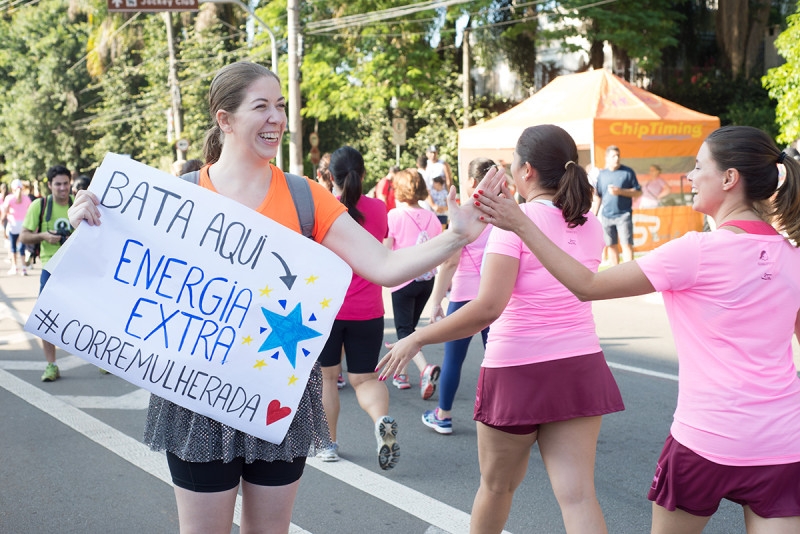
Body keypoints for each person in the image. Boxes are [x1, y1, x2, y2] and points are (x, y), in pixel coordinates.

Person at [67, 61, 500, 534]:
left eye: (280, 106)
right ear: (225, 119)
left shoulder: (304, 197)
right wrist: (89, 222)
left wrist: (457, 235)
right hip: (195, 399)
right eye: (261, 106)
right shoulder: (179, 197)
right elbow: (121, 279)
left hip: (279, 395)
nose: (276, 118)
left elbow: (384, 265)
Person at [473, 125, 800, 534]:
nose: (690, 177)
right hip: (784, 443)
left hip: (706, 440)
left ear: (730, 179)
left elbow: (586, 286)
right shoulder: (793, 257)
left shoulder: (695, 251)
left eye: (699, 168)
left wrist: (521, 225)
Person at [379, 125, 623, 534]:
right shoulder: (590, 224)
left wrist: (417, 336)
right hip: (580, 363)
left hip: (517, 368)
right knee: (579, 495)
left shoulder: (517, 222)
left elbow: (488, 307)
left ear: (526, 171)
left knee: (496, 488)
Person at [315, 145, 399, 469]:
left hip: (329, 309)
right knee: (365, 380)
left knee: (327, 378)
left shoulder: (323, 209)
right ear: (363, 175)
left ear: (329, 177)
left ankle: (328, 444)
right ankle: (381, 420)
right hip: (369, 310)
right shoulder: (379, 210)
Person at [421, 158, 495, 435]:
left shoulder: (465, 214)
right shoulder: (507, 213)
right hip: (496, 296)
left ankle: (444, 415)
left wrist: (436, 300)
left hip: (465, 296)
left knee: (454, 359)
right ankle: (508, 416)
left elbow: (450, 262)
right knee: (498, 360)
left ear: (472, 183)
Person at [384, 169, 442, 397]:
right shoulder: (433, 218)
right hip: (427, 279)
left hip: (403, 278)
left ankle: (424, 369)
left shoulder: (393, 216)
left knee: (405, 330)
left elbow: (386, 249)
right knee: (408, 330)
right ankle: (401, 375)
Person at [20, 166, 73, 382]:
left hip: (78, 269)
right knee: (46, 318)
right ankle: (51, 364)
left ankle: (100, 361)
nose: (62, 188)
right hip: (50, 267)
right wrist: (43, 236)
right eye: (57, 184)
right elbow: (23, 237)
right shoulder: (39, 206)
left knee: (92, 316)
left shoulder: (78, 203)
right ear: (49, 185)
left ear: (71, 183)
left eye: (65, 183)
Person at [593, 145, 641, 264]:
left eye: (618, 155)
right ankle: (616, 275)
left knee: (626, 245)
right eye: (613, 156)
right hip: (606, 217)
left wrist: (620, 191)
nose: (617, 158)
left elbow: (638, 192)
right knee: (611, 246)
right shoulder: (602, 174)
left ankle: (630, 274)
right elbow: (598, 196)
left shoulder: (627, 172)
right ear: (607, 158)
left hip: (624, 215)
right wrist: (593, 215)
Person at [2, 179, 32, 276]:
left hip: (13, 225)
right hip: (23, 225)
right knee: (22, 248)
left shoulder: (9, 198)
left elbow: (5, 212)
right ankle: (24, 268)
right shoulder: (27, 198)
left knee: (13, 247)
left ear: (12, 188)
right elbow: (30, 211)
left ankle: (14, 267)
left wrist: (3, 220)